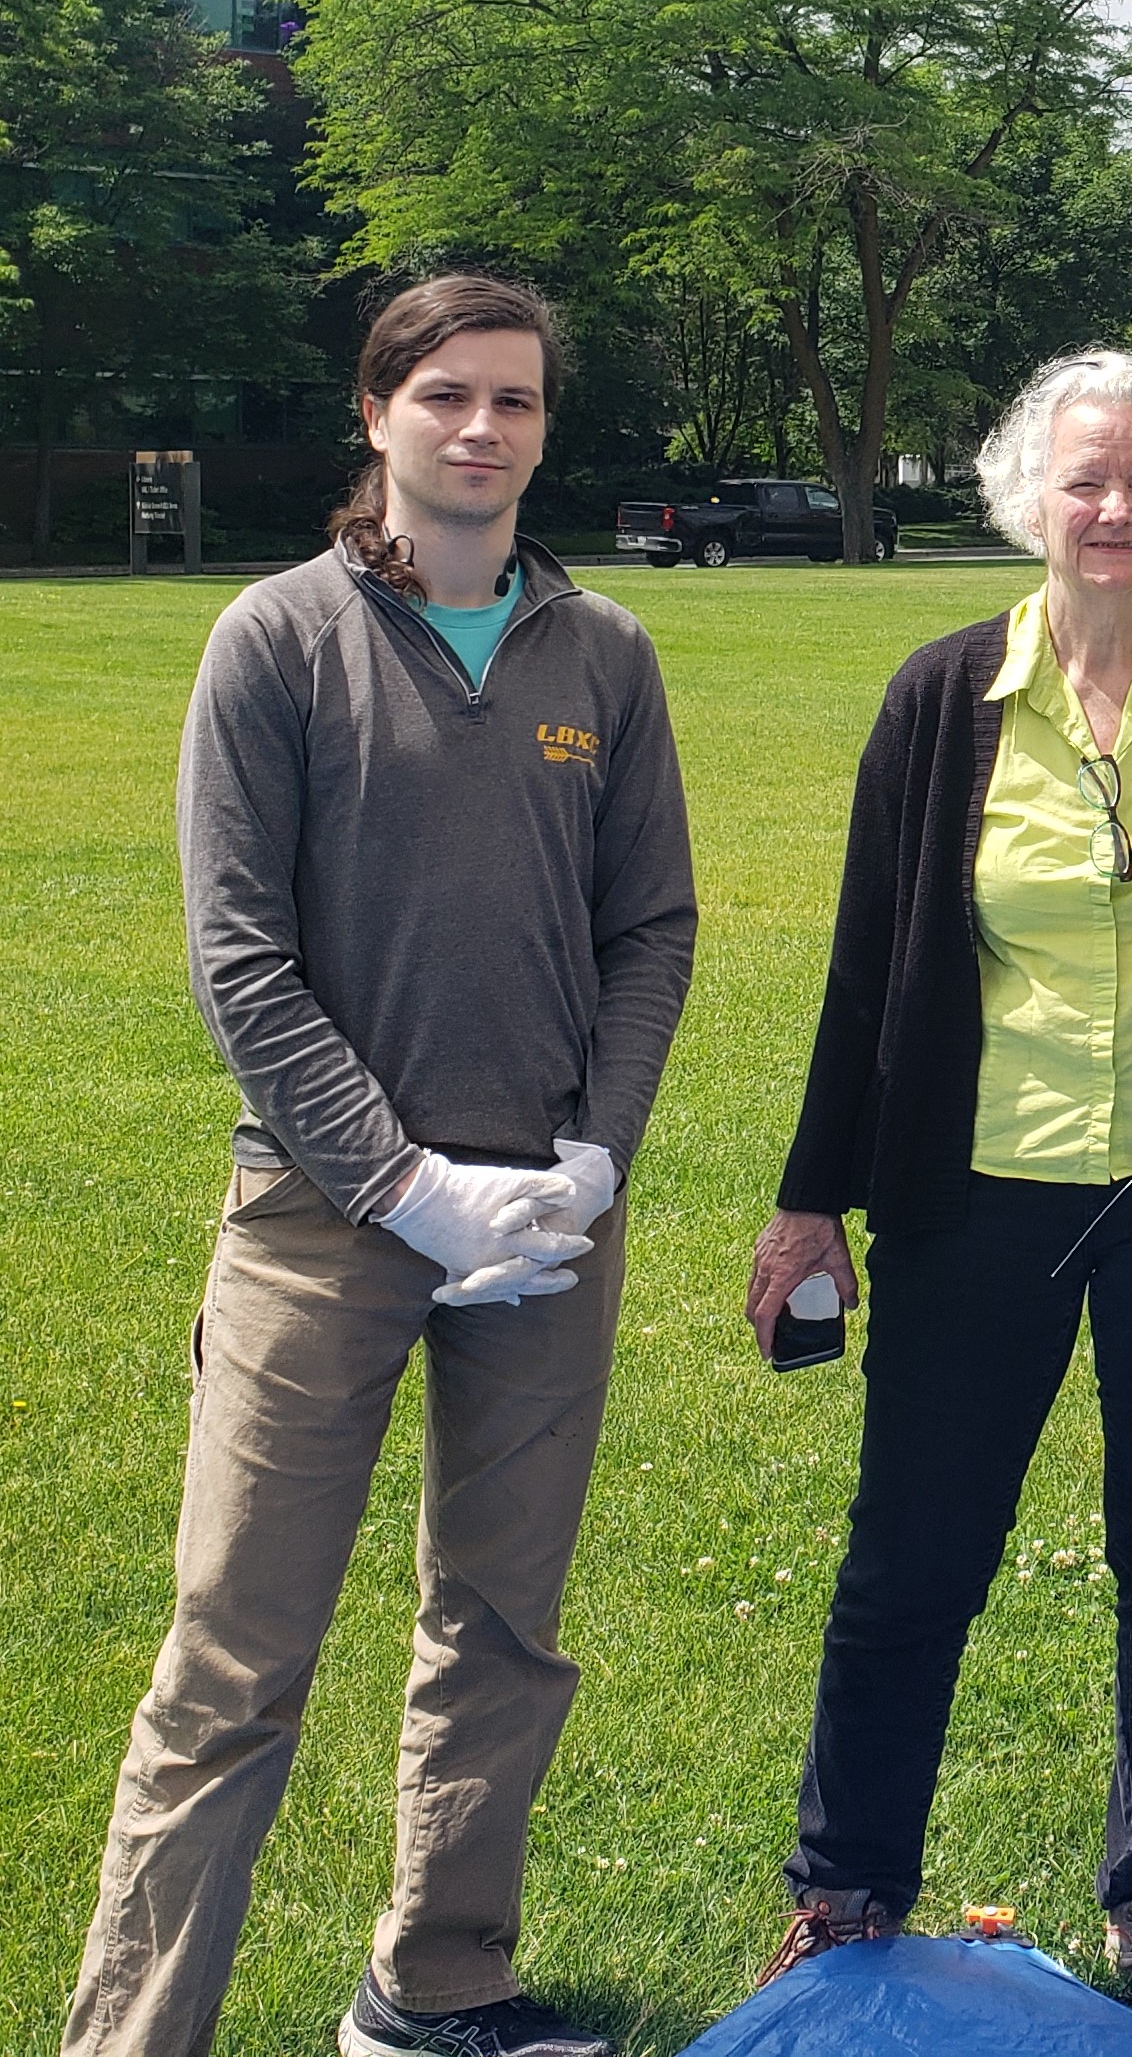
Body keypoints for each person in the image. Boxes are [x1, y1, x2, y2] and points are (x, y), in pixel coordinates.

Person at [64, 276, 698, 2057]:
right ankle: (135, 2035)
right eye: (444, 395)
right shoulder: (276, 637)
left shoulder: (607, 653)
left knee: (502, 1629)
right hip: (320, 1224)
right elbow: (237, 960)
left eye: (513, 400)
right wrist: (399, 1184)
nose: (479, 428)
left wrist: (594, 1155)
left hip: (548, 1230)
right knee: (234, 1663)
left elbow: (651, 925)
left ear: (546, 429)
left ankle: (437, 1988)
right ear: (379, 415)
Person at [746, 351, 1132, 2054]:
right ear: (1030, 500)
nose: (1118, 508)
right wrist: (808, 1203)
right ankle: (842, 1893)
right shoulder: (941, 699)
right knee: (913, 1557)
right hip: (974, 1191)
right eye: (1086, 481)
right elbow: (870, 967)